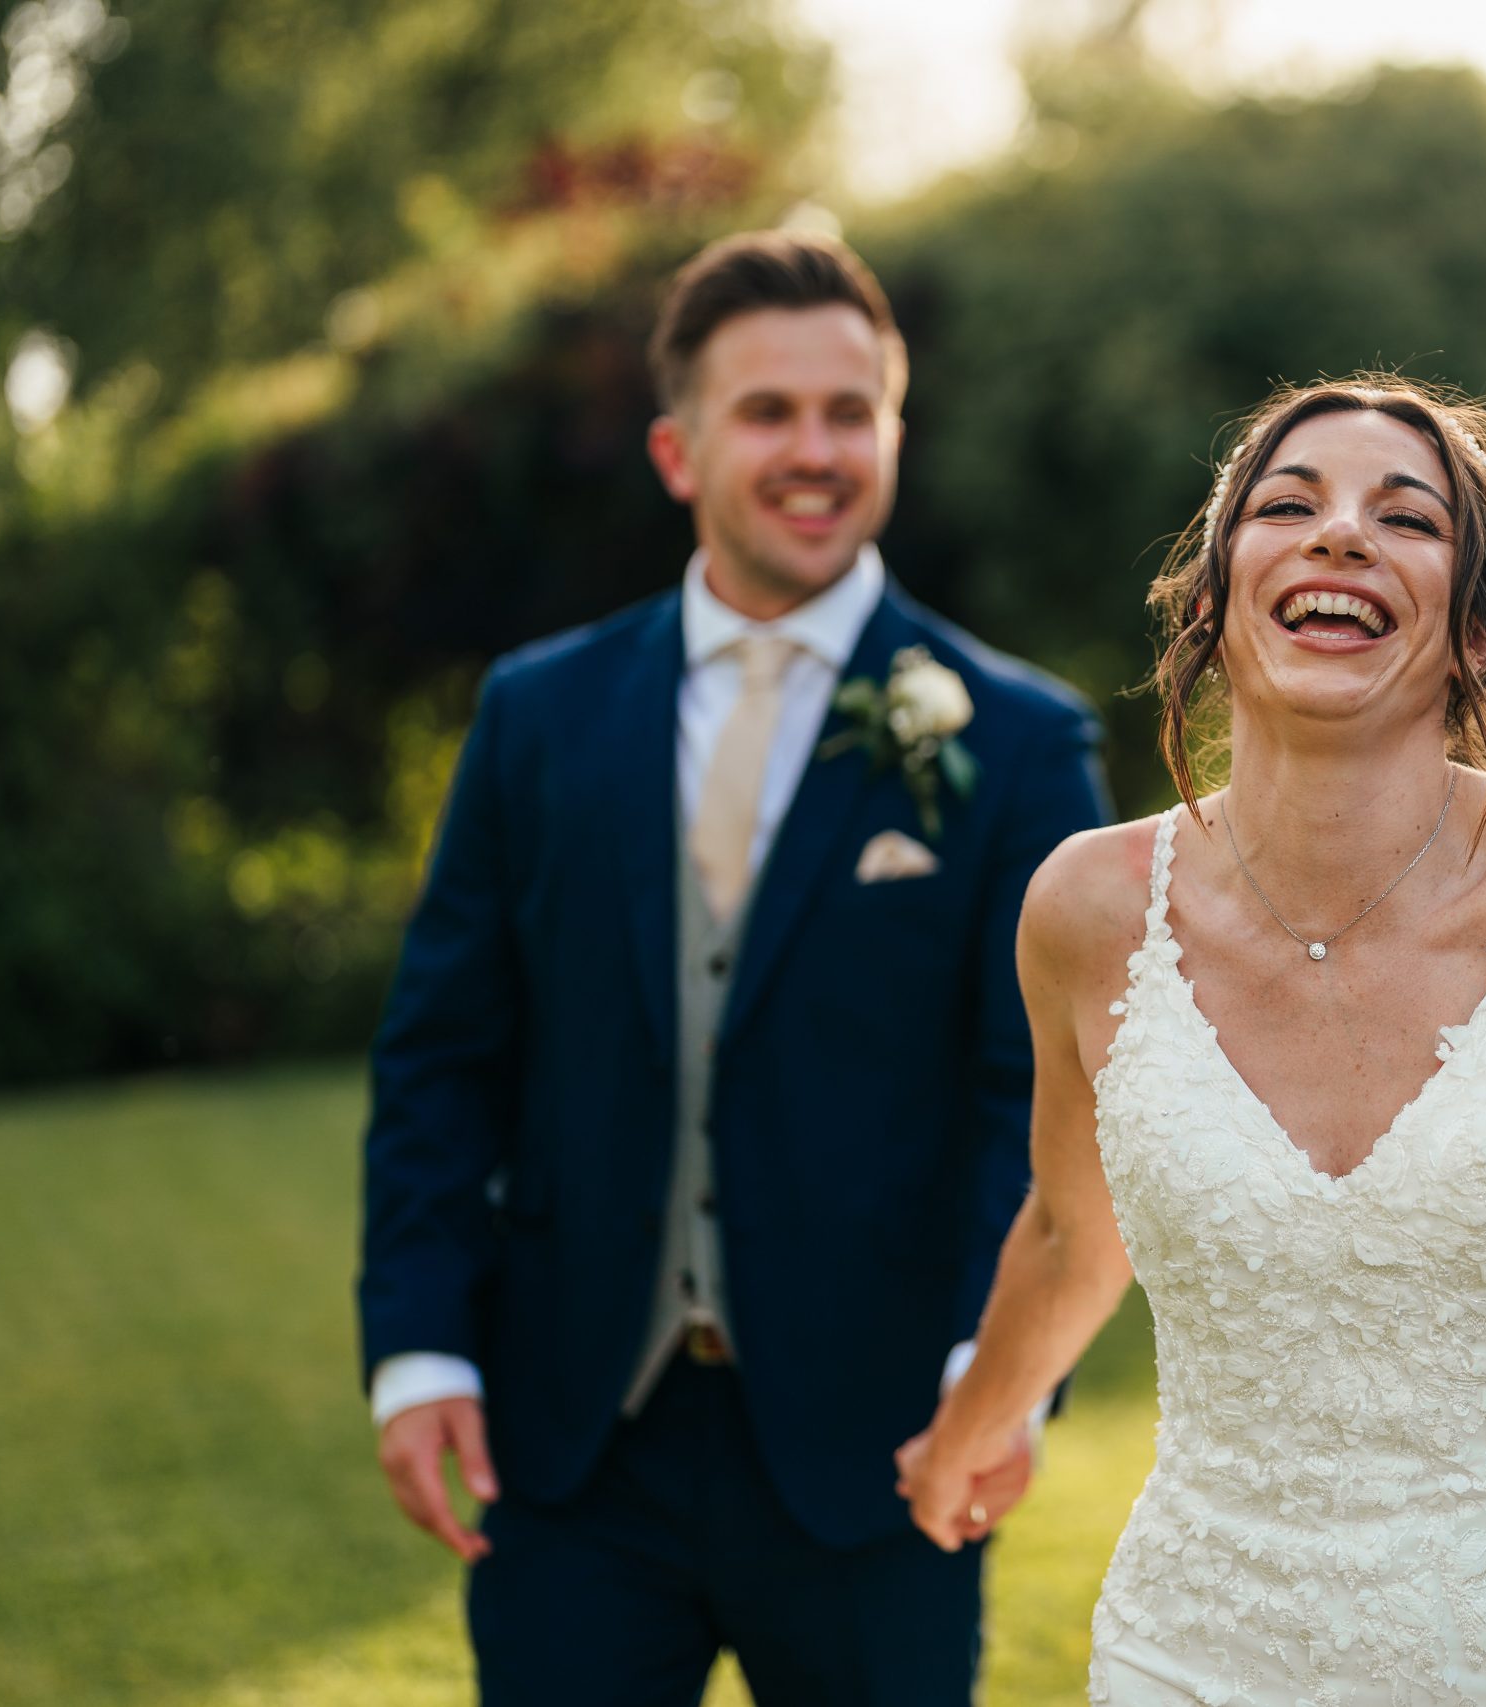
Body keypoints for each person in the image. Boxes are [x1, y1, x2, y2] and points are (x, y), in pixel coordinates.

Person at [895, 376, 1486, 1704]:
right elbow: (1074, 1235)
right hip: (1199, 1656)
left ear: (1475, 638)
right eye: (1289, 505)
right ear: (1212, 599)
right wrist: (970, 1429)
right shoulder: (1087, 908)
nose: (1341, 535)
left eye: (1404, 520)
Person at [356, 228, 1109, 1704]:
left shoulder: (1017, 744)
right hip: (574, 1443)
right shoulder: (538, 717)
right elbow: (446, 1057)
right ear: (677, 450)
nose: (814, 450)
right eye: (768, 412)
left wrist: (991, 1375)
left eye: (851, 412)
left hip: (884, 1454)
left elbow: (1041, 1100)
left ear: (894, 433)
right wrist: (422, 1353)